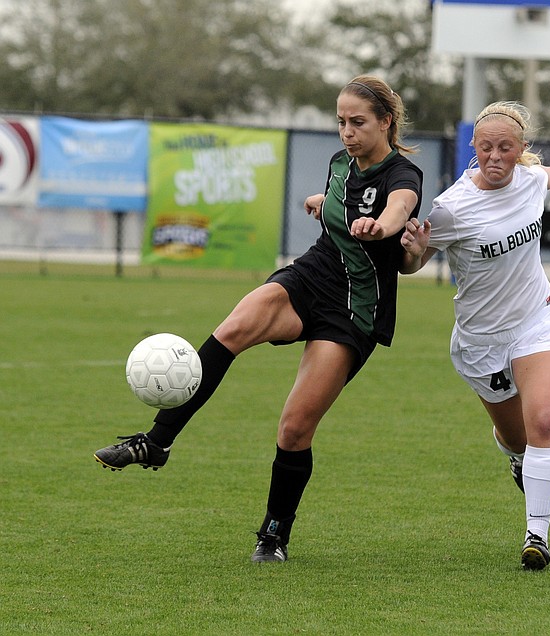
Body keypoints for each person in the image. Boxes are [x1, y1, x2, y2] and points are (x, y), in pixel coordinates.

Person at [94, 75, 423, 563]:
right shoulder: (340, 164)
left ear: (385, 122)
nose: (346, 132)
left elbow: (399, 207)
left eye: (358, 122)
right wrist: (321, 200)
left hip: (355, 307)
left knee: (294, 428)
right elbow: (343, 195)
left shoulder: (402, 174)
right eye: (340, 121)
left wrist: (383, 227)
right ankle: (157, 442)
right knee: (231, 330)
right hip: (312, 276)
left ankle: (273, 535)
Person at [399, 101, 550, 570]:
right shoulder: (452, 207)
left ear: (521, 149)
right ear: (474, 148)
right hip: (481, 342)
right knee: (520, 440)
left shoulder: (530, 179)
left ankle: (536, 537)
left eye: (506, 147)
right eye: (486, 148)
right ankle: (516, 456)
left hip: (537, 321)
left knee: (544, 421)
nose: (495, 157)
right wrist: (415, 252)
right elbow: (412, 265)